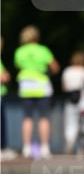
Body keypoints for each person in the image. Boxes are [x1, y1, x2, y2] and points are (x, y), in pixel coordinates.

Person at [13, 25, 59, 159]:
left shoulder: (19, 51)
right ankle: (45, 148)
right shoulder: (43, 50)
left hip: (25, 85)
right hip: (41, 84)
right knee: (44, 117)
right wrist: (47, 72)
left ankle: (26, 148)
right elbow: (55, 67)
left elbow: (18, 66)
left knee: (27, 117)